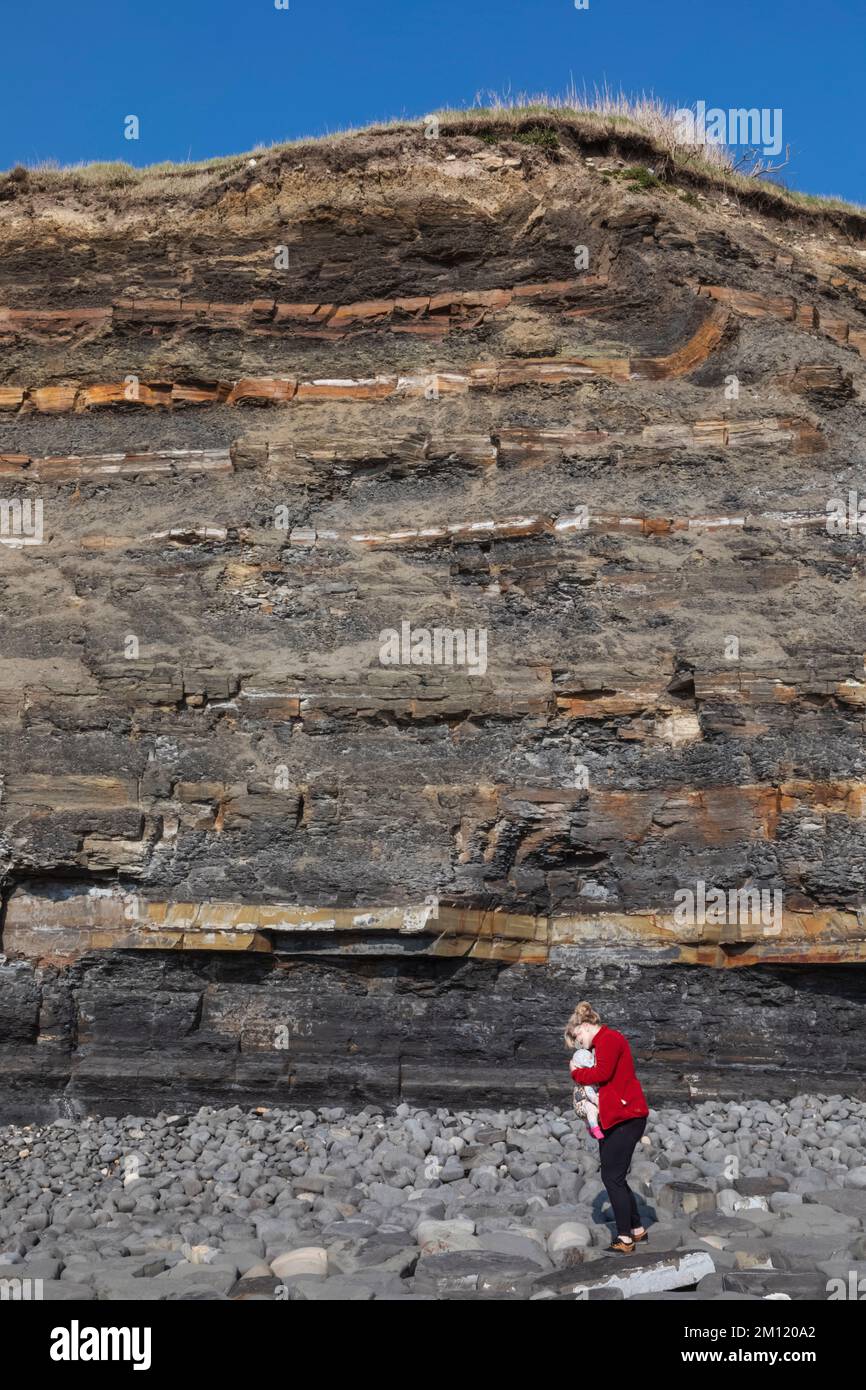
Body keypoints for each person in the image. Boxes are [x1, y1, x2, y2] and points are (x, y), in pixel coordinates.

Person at [564, 1001, 650, 1254]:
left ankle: (624, 1239)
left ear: (586, 1026)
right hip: (617, 1117)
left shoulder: (609, 1039)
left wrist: (575, 1074)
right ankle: (636, 1229)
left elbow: (601, 1074)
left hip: (628, 1117)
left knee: (611, 1177)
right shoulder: (603, 1041)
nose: (579, 1044)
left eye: (577, 1037)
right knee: (616, 1176)